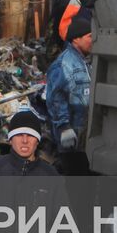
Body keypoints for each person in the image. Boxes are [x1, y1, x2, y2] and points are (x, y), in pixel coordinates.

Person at [45, 14, 92, 174]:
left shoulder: (87, 62)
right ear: (76, 39)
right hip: (72, 142)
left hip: (86, 138)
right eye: (90, 36)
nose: (93, 41)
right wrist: (64, 127)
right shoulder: (63, 65)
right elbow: (56, 99)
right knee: (77, 186)